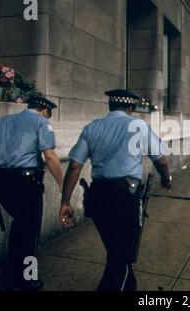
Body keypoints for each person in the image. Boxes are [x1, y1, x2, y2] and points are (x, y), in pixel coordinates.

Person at [60, 89, 172, 291]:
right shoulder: (138, 126)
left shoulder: (92, 127)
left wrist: (65, 202)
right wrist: (166, 178)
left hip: (98, 197)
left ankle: (129, 286)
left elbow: (75, 166)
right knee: (121, 256)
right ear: (130, 108)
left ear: (110, 106)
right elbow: (161, 160)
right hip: (125, 198)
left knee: (116, 249)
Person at [0, 95, 63, 291]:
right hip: (26, 184)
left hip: (2, 181)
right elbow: (50, 156)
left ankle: (12, 269)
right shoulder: (41, 122)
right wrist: (63, 185)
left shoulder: (3, 121)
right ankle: (27, 278)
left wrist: (5, 171)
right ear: (45, 111)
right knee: (29, 232)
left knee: (19, 226)